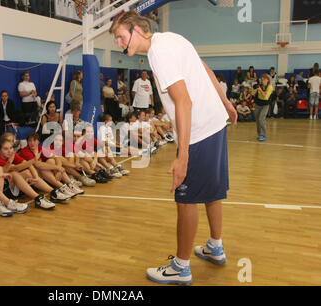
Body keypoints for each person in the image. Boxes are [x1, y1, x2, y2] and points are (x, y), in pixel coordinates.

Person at [111, 10, 237, 286]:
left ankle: (181, 268)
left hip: (199, 129)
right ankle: (215, 246)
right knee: (212, 191)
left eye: (121, 37)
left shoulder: (158, 53)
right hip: (215, 121)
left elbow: (184, 102)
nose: (120, 44)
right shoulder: (172, 38)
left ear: (136, 29)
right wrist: (225, 102)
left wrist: (183, 155)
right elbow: (204, 67)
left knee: (186, 200)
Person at [0, 138, 63, 209]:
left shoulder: (11, 154)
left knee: (27, 172)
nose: (9, 151)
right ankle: (38, 197)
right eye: (6, 149)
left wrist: (35, 177)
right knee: (15, 173)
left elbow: (28, 164)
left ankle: (53, 192)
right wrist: (33, 160)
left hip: (11, 185)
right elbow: (16, 168)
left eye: (11, 148)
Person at [19, 132, 83, 196]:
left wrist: (59, 171)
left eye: (34, 140)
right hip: (30, 175)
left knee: (51, 161)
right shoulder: (25, 151)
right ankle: (63, 187)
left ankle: (70, 184)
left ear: (38, 141)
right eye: (30, 141)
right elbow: (38, 165)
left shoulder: (40, 148)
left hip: (43, 174)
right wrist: (58, 168)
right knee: (43, 168)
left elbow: (56, 158)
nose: (32, 143)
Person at [252, 74, 274, 141]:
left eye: (264, 79)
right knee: (258, 120)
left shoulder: (270, 87)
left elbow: (266, 97)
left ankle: (263, 134)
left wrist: (260, 90)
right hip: (258, 104)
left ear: (267, 80)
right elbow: (253, 93)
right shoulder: (260, 86)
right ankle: (259, 134)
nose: (262, 81)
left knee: (261, 118)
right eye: (262, 79)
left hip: (265, 104)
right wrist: (254, 88)